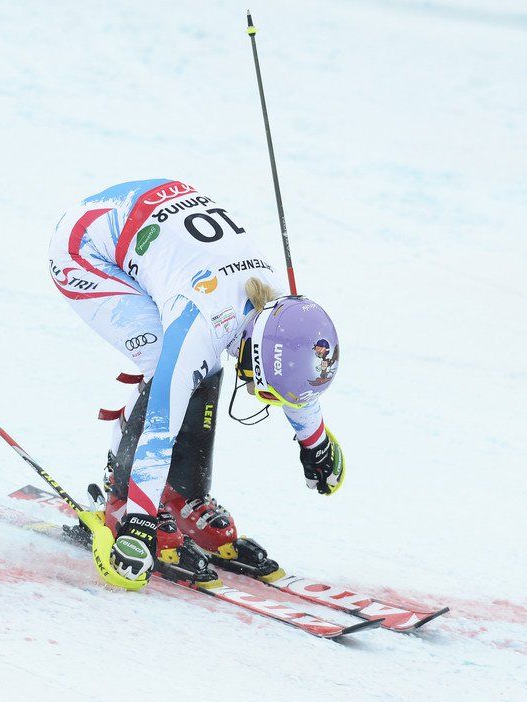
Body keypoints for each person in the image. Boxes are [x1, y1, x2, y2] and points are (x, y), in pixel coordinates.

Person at [49, 179, 345, 588]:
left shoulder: (282, 310)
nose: (261, 397)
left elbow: (294, 371)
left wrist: (315, 442)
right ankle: (121, 500)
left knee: (198, 362)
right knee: (165, 362)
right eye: (264, 391)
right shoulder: (201, 324)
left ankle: (181, 494)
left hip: (154, 218)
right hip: (85, 248)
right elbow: (160, 427)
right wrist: (139, 522)